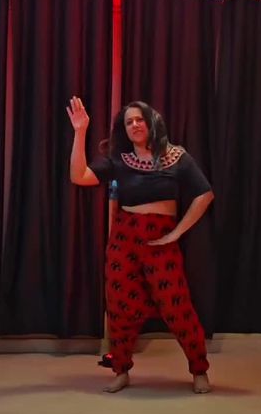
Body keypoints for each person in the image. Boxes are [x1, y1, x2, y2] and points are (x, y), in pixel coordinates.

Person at [67, 96, 214, 393]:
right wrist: (80, 132)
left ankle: (199, 370)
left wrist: (177, 233)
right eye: (128, 122)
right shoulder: (120, 160)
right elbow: (79, 176)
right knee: (120, 307)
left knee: (177, 306)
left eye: (139, 119)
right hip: (124, 239)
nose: (134, 125)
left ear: (152, 123)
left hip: (159, 239)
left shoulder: (177, 157)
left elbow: (205, 194)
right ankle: (121, 370)